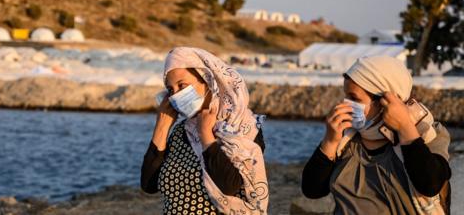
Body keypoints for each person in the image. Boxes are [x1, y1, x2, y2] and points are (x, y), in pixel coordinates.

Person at [301, 56, 451, 215]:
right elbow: (312, 190)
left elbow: (430, 184)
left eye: (354, 98)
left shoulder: (428, 133)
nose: (345, 104)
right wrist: (330, 141)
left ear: (386, 101)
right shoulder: (347, 138)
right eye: (346, 96)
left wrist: (405, 127)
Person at [141, 47, 269, 215]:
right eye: (171, 89)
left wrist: (206, 136)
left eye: (182, 85)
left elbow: (230, 186)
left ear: (207, 80)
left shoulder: (242, 128)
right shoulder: (181, 132)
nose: (175, 95)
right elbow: (149, 185)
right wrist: (162, 127)